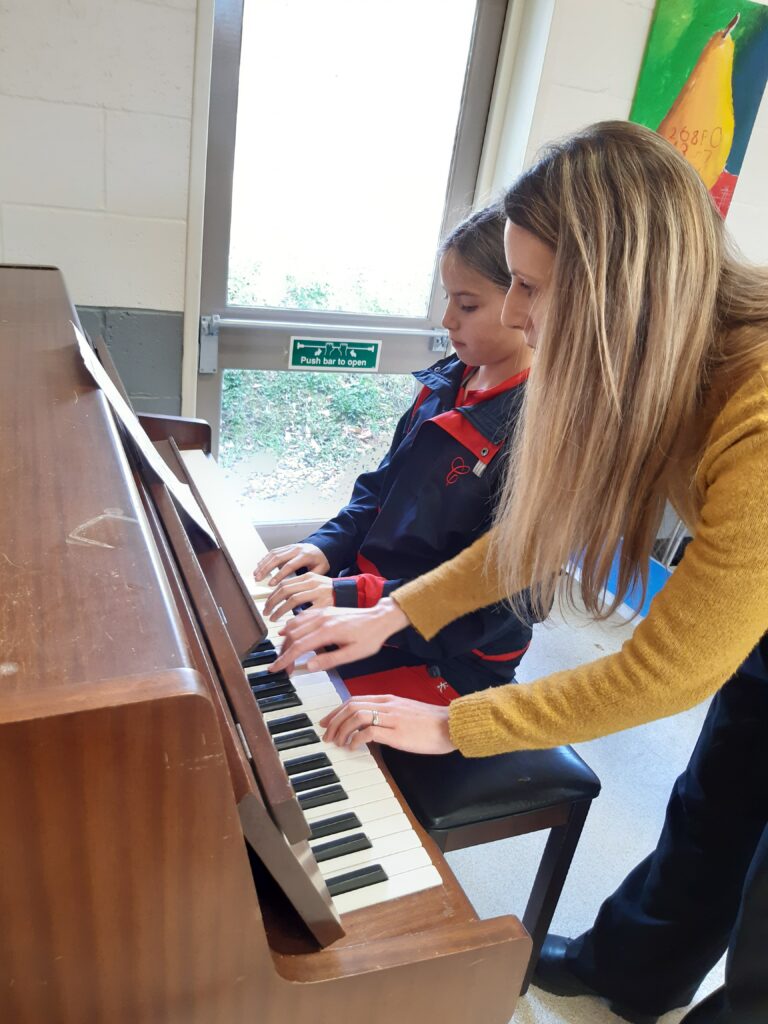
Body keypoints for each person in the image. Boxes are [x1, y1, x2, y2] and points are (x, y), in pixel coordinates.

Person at [271, 122, 768, 1024]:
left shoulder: (758, 403)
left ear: (620, 286)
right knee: (720, 798)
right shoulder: (654, 366)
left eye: (532, 287)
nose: (519, 314)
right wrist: (393, 617)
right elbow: (539, 535)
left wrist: (462, 724)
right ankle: (633, 970)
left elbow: (672, 670)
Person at [254, 203, 535, 705]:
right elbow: (382, 489)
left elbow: (502, 601)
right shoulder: (450, 378)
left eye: (467, 305)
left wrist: (355, 597)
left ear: (525, 301)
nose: (447, 319)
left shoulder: (539, 431)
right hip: (376, 601)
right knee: (255, 658)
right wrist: (328, 546)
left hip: (451, 653)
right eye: (448, 299)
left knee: (286, 705)